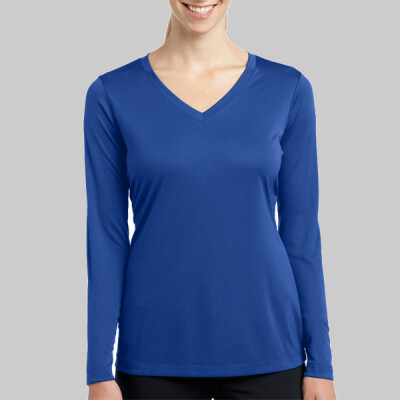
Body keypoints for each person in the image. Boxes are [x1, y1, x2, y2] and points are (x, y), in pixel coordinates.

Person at [83, 1, 337, 399]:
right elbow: (106, 238)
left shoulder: (288, 89)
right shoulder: (112, 94)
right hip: (154, 355)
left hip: (270, 350)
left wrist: (321, 362)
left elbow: (302, 237)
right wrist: (98, 370)